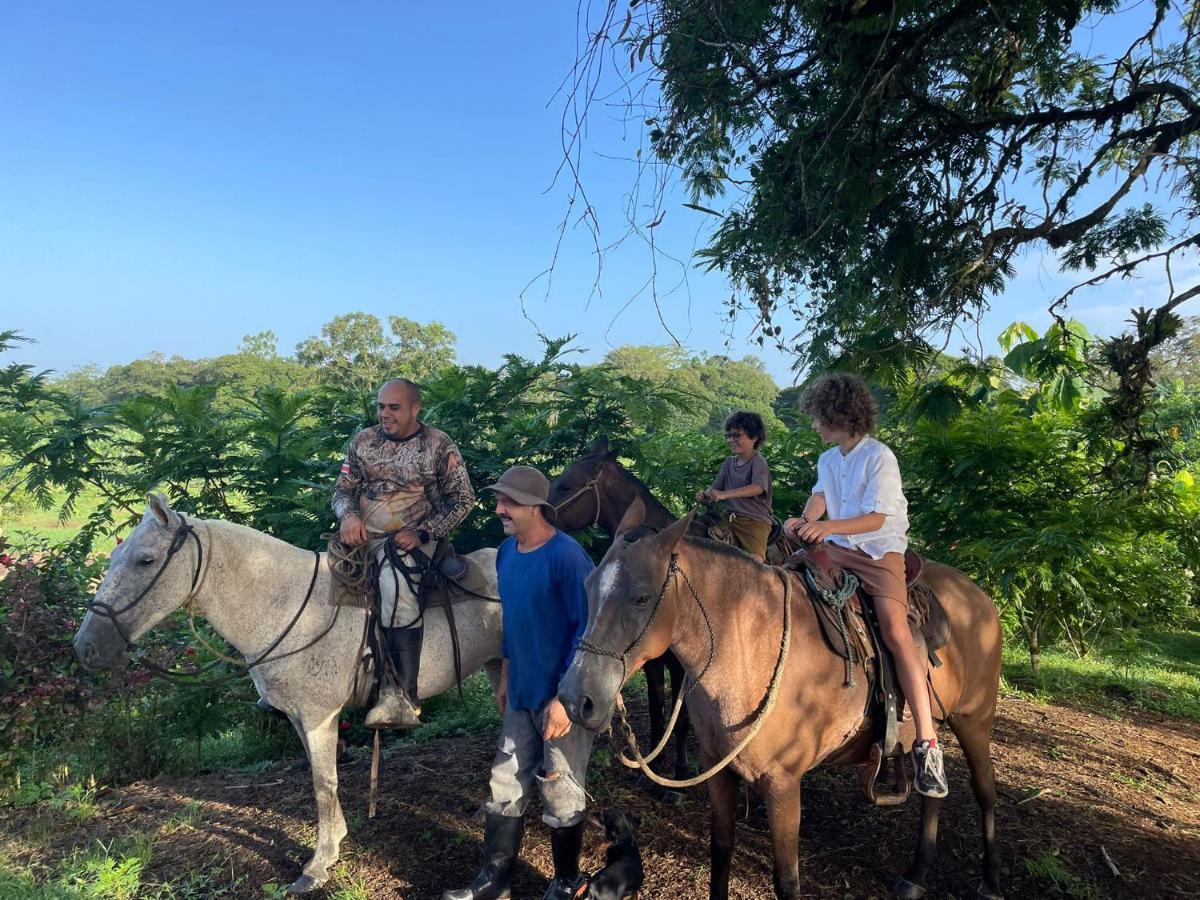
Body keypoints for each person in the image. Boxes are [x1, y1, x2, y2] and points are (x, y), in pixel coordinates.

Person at [782, 373, 947, 798]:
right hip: (835, 547)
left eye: (820, 418)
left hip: (878, 552)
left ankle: (927, 742)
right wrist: (805, 521)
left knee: (895, 630)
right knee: (785, 585)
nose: (815, 425)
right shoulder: (829, 459)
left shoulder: (879, 457)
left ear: (841, 415)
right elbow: (819, 496)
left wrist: (827, 526)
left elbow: (876, 518)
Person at [442, 465, 595, 900]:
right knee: (504, 781)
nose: (499, 510)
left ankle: (568, 881)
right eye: (499, 501)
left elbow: (588, 633)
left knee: (559, 789)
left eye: (507, 502)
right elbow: (512, 622)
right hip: (521, 690)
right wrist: (506, 677)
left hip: (561, 697)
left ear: (535, 507)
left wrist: (566, 700)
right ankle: (494, 882)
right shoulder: (508, 553)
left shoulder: (567, 558)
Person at [331, 377, 475, 729]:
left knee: (395, 584)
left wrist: (425, 532)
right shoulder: (363, 442)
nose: (385, 414)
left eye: (394, 407)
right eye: (381, 406)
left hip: (415, 540)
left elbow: (463, 500)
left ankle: (404, 697)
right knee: (318, 579)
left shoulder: (439, 445)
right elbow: (341, 491)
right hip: (363, 537)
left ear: (415, 408)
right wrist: (347, 516)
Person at [696, 410, 773, 561]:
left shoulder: (758, 461)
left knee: (755, 562)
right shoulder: (728, 463)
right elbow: (715, 488)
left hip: (754, 522)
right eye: (728, 436)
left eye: (736, 435)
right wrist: (706, 495)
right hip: (728, 519)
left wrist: (724, 494)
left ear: (754, 437)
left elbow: (757, 487)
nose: (731, 439)